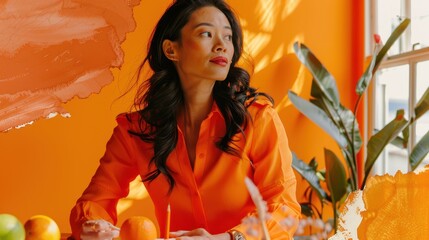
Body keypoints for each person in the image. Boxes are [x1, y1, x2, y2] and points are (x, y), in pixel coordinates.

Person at [69, 0, 301, 239]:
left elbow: (285, 210)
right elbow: (91, 206)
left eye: (229, 37)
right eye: (207, 33)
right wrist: (98, 228)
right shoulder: (134, 131)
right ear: (171, 50)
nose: (222, 45)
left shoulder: (257, 120)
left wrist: (229, 238)